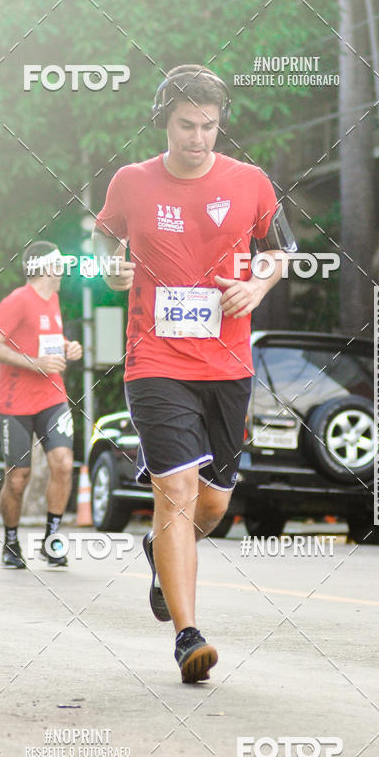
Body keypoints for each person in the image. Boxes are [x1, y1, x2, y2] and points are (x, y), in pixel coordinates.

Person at [93, 65, 294, 683]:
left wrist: (258, 285)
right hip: (154, 360)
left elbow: (281, 250)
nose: (199, 138)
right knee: (175, 494)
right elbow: (103, 239)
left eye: (209, 126)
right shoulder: (131, 182)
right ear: (164, 121)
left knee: (211, 506)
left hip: (228, 363)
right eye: (187, 125)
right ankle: (188, 637)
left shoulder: (251, 182)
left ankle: (160, 551)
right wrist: (110, 270)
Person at [0, 241, 82, 569]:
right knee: (18, 478)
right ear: (45, 268)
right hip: (15, 403)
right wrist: (33, 363)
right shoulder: (17, 301)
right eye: (60, 263)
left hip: (52, 397)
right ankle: (11, 542)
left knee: (63, 463)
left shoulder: (53, 299)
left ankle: (51, 541)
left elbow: (46, 340)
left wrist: (69, 347)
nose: (64, 268)